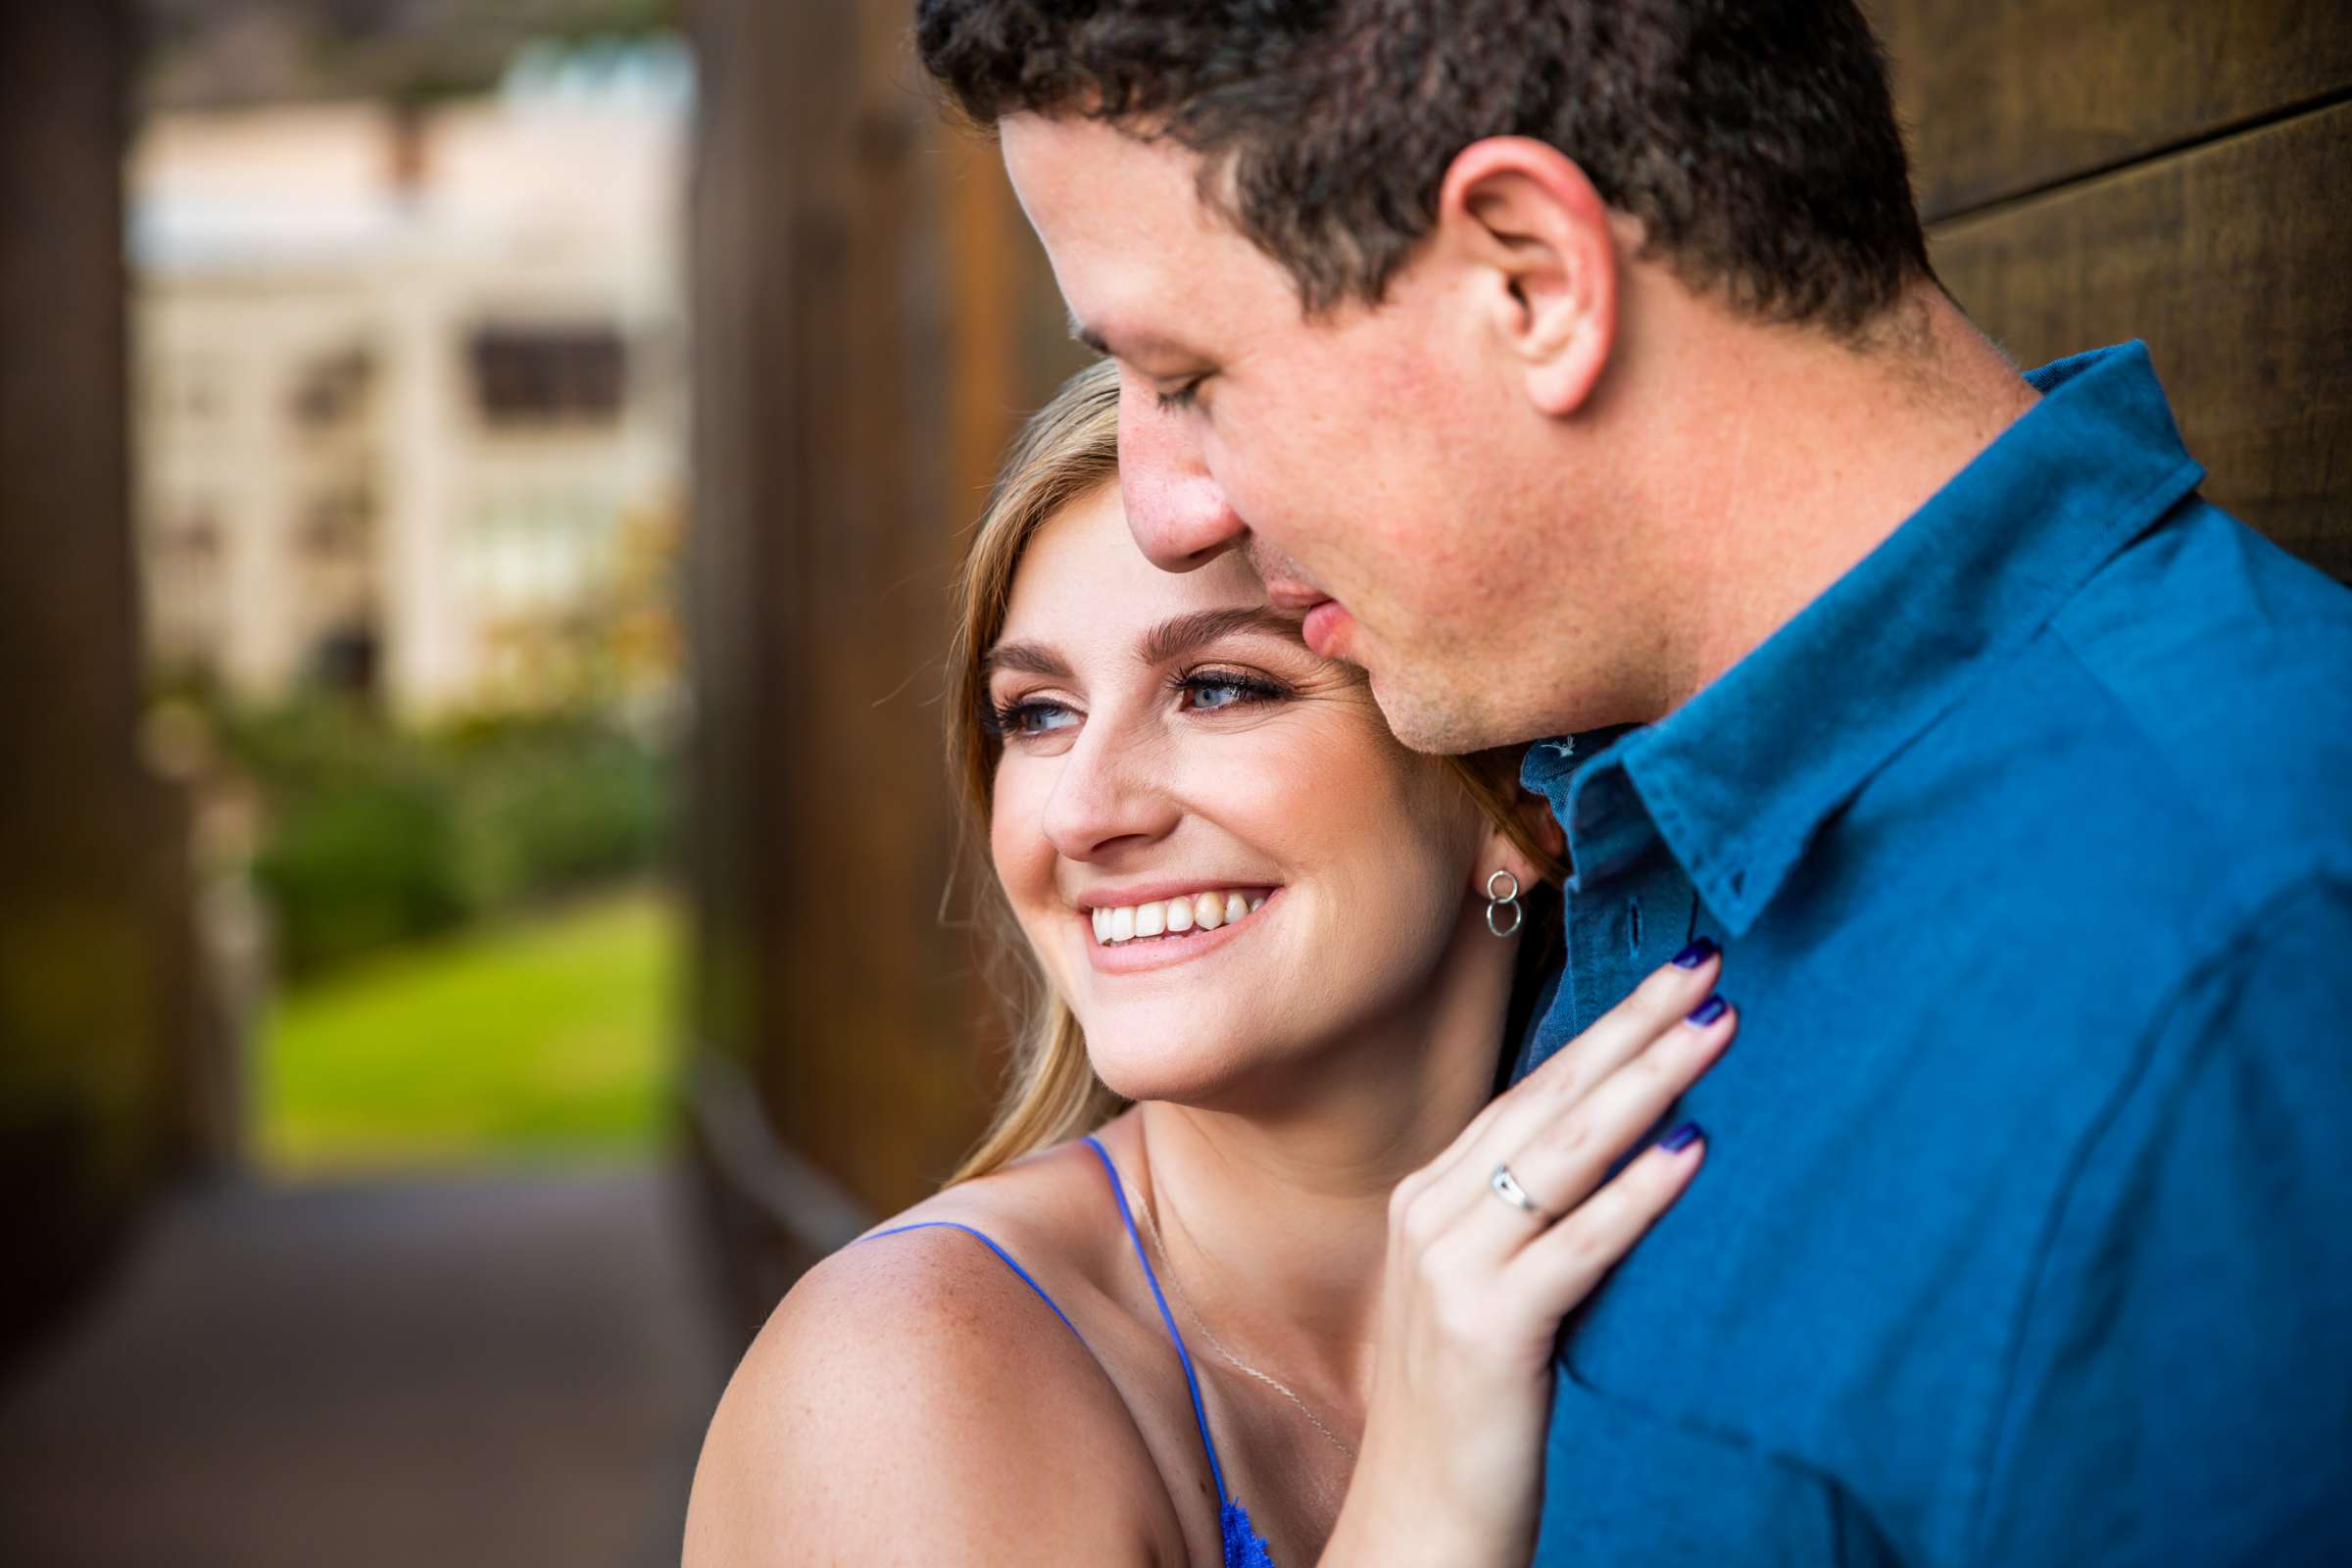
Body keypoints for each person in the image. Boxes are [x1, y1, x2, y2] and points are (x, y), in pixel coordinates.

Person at [914, 2, 2352, 1563]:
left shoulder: (2238, 981)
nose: (1167, 504)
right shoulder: (1628, 821)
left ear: (1532, 278)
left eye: (1184, 373)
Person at [683, 361, 1740, 1565]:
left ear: (1515, 806)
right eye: (1035, 713)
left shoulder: (1692, 1276)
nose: (1084, 810)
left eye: (1217, 687)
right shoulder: (904, 1373)